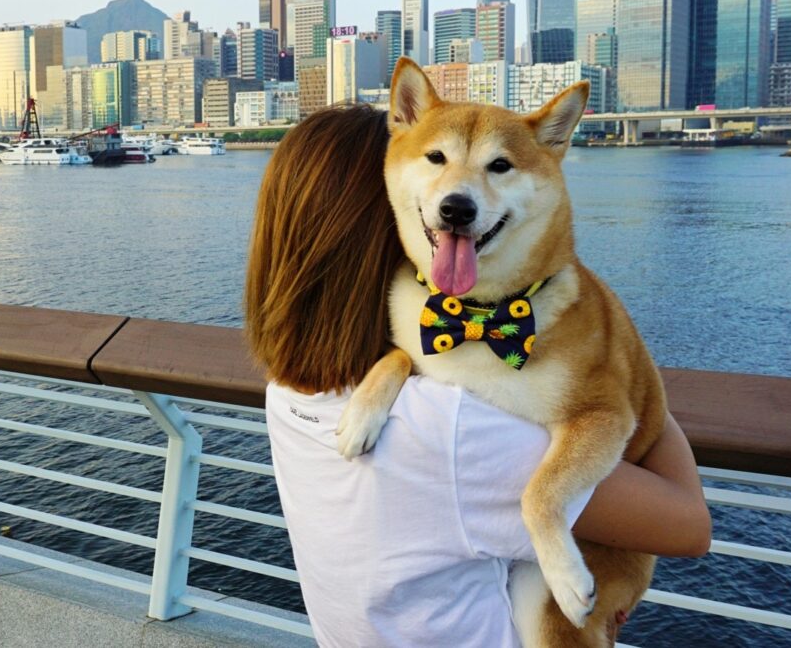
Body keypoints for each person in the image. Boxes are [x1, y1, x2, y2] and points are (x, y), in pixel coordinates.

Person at [244, 105, 710, 647]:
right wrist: (623, 371)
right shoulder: (455, 431)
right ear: (387, 225)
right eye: (432, 167)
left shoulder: (286, 389)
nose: (454, 198)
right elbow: (688, 526)